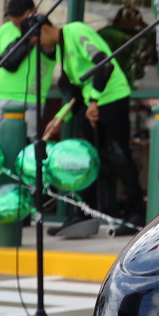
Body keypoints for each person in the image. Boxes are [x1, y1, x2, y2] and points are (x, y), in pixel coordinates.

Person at [38, 16, 144, 238]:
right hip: (91, 104)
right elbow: (77, 92)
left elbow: (103, 63)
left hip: (112, 98)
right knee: (87, 158)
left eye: (36, 40)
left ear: (45, 29)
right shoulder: (61, 49)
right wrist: (60, 119)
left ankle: (136, 214)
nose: (38, 46)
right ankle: (84, 212)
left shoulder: (76, 31)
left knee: (118, 155)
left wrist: (94, 101)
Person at [0, 0, 57, 143]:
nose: (15, 19)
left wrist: (38, 42)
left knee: (25, 143)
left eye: (19, 15)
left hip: (30, 98)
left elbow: (54, 53)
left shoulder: (44, 31)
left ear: (33, 11)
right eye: (12, 16)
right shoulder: (5, 29)